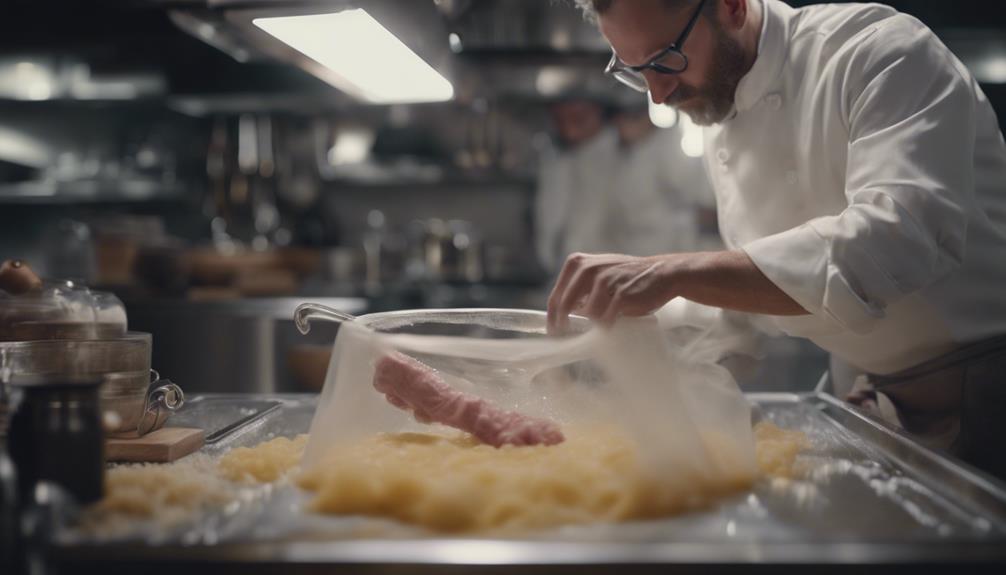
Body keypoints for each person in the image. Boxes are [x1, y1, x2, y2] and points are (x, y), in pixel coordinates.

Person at [549, 0, 1006, 478]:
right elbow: (755, 297)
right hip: (869, 400)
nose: (658, 94)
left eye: (666, 58)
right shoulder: (717, 105)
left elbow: (899, 238)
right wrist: (607, 341)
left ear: (730, 7)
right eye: (634, 69)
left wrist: (674, 272)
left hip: (981, 394)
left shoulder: (879, 53)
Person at [536, 98, 715, 272]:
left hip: (659, 263)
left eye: (578, 118)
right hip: (616, 265)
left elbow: (694, 207)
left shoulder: (666, 148)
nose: (570, 129)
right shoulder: (593, 157)